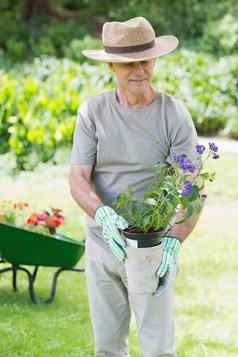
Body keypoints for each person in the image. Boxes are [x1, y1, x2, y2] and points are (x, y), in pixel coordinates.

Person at [69, 16, 203, 357]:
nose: (138, 70)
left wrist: (175, 237)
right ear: (112, 65)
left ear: (155, 60)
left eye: (144, 60)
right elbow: (78, 177)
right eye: (128, 64)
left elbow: (192, 184)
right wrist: (102, 215)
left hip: (151, 247)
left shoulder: (173, 115)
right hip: (103, 242)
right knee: (108, 348)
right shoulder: (92, 112)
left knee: (158, 349)